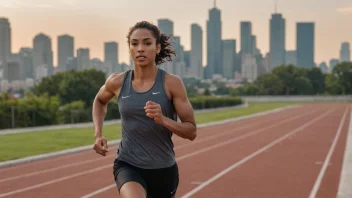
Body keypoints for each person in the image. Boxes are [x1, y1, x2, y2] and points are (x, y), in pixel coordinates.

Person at [92, 21, 197, 198]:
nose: (140, 48)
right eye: (135, 44)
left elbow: (191, 131)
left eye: (147, 43)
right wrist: (98, 133)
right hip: (128, 164)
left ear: (157, 48)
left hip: (164, 170)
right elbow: (99, 101)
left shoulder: (172, 83)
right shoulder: (117, 82)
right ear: (130, 48)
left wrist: (164, 120)